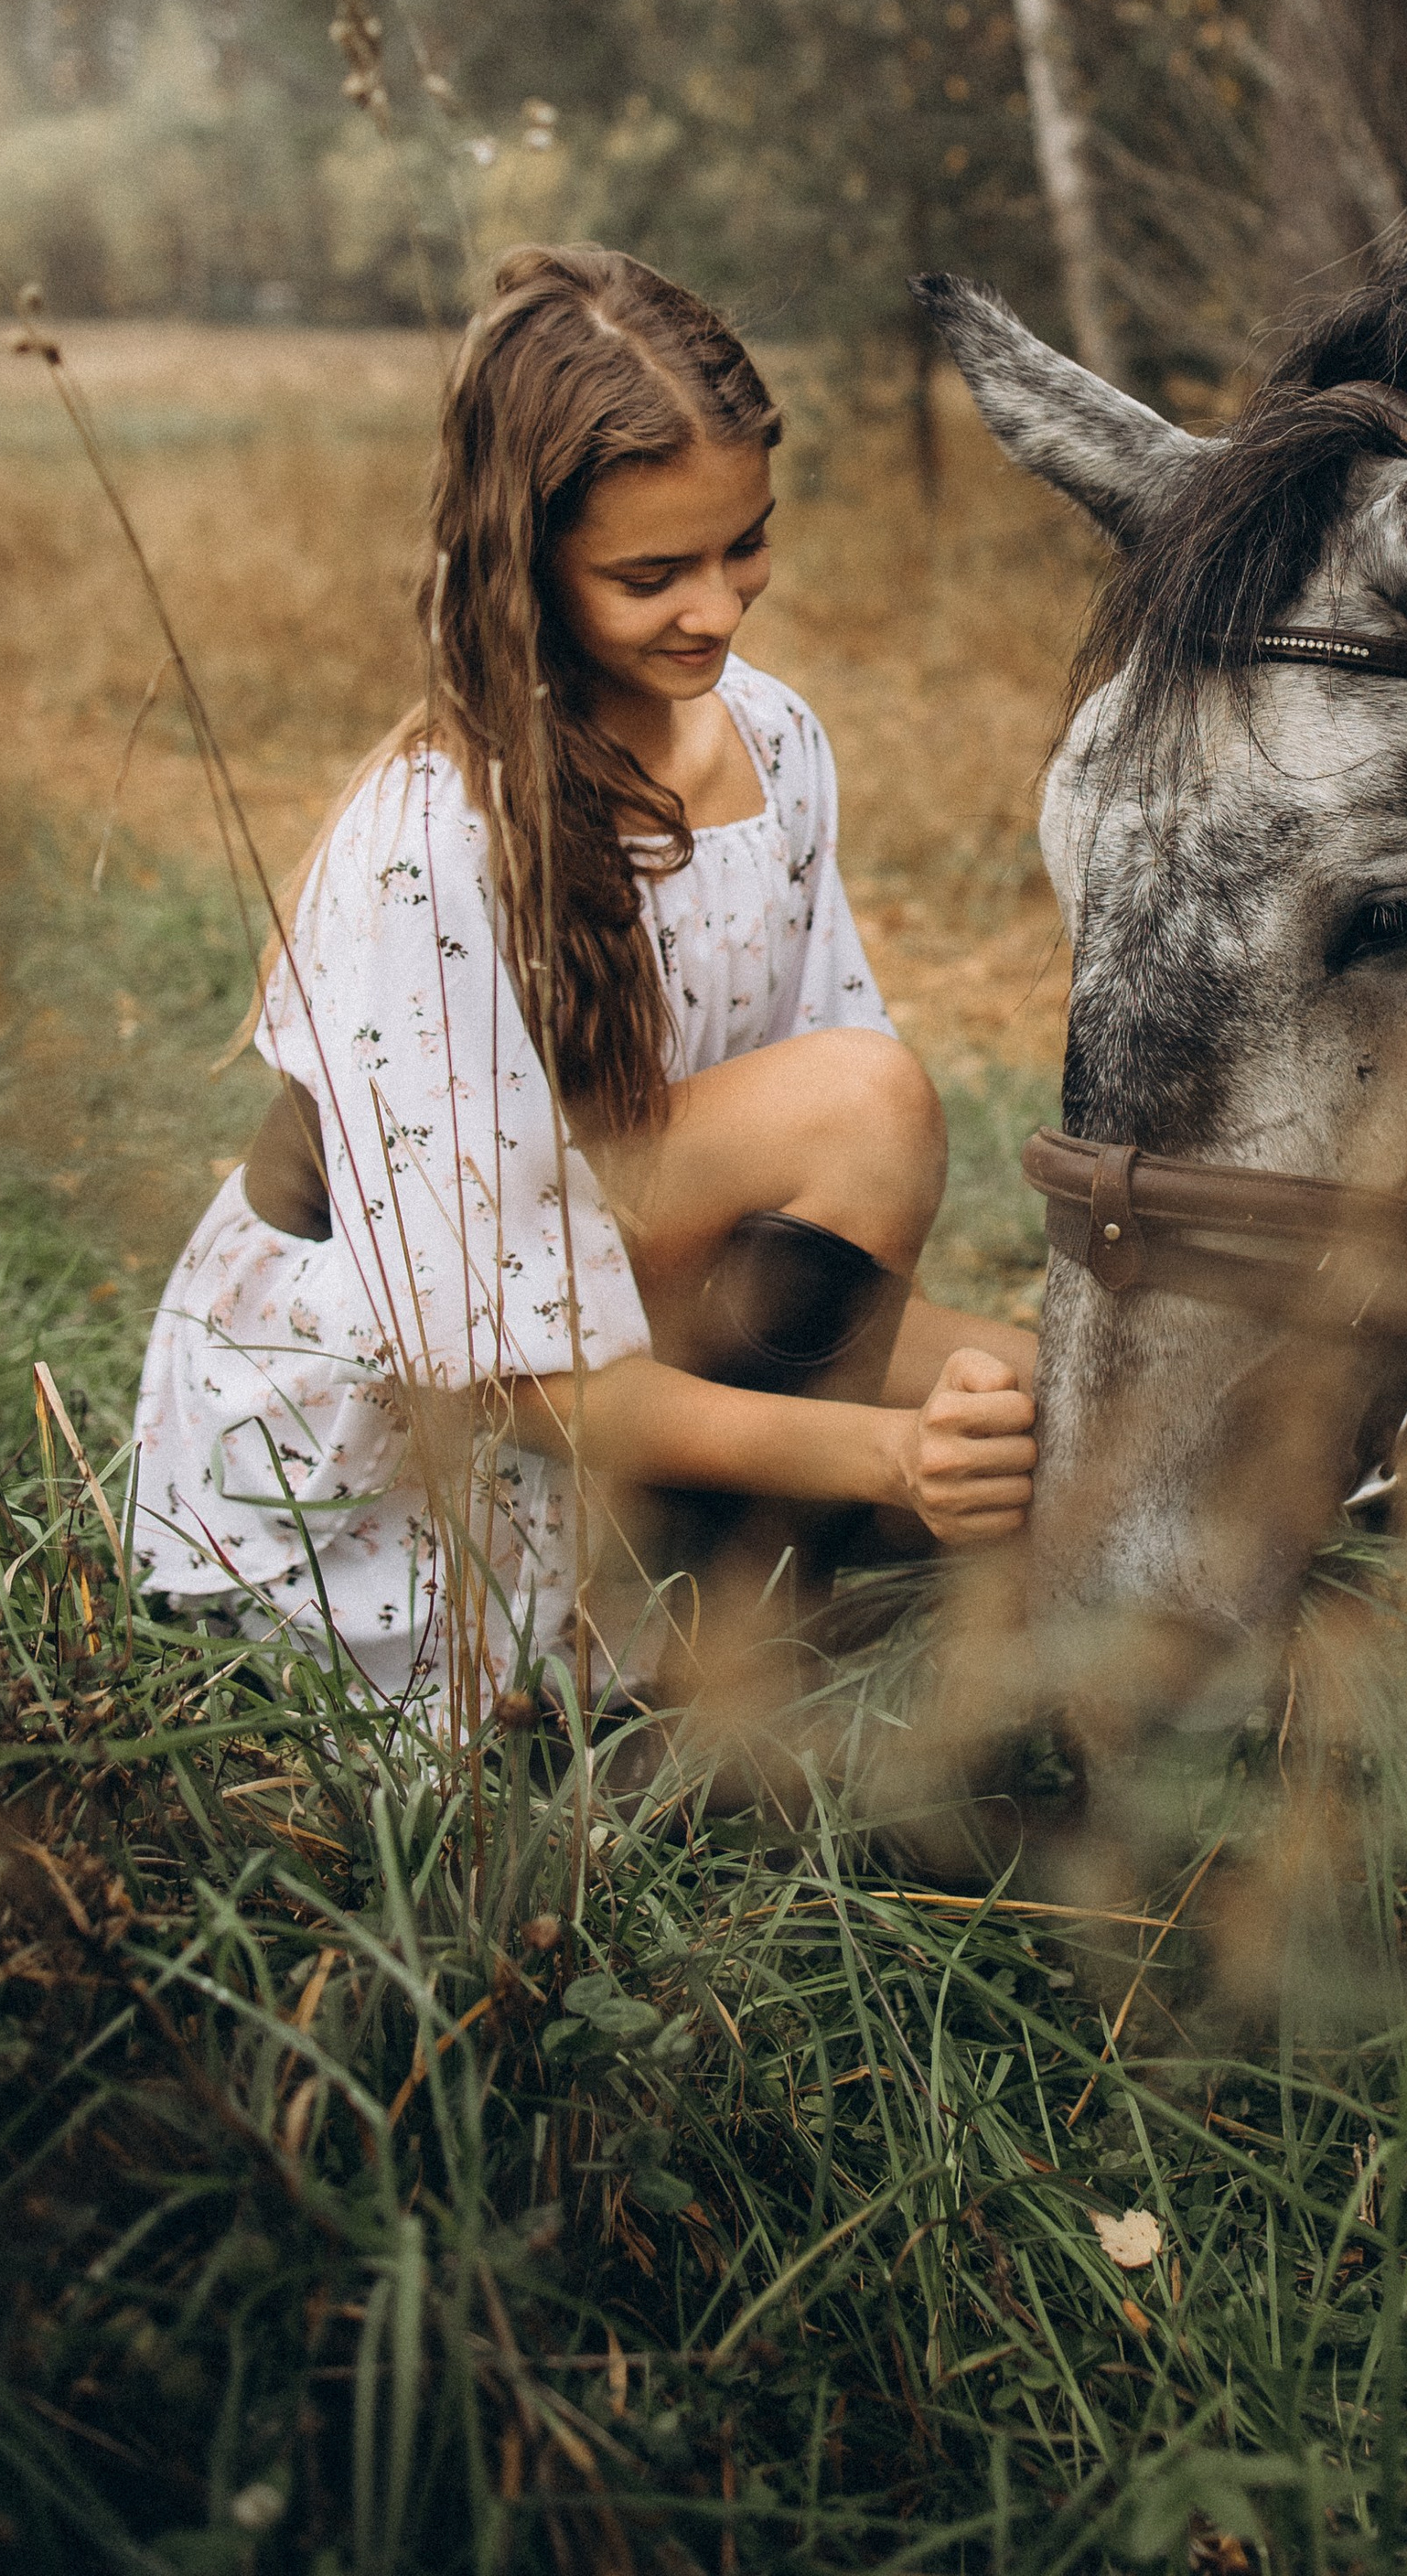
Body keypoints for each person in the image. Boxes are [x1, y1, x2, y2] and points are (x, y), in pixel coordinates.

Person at [132, 244, 1037, 1713]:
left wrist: (1009, 1409)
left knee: (1062, 1419)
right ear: (526, 561)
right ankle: (717, 1652)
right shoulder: (436, 841)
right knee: (871, 1112)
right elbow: (492, 1376)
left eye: (745, 545)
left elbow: (796, 1242)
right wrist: (886, 1458)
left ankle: (722, 1589)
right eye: (649, 574)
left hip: (628, 1300)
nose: (719, 608)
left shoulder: (778, 739)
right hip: (402, 1417)